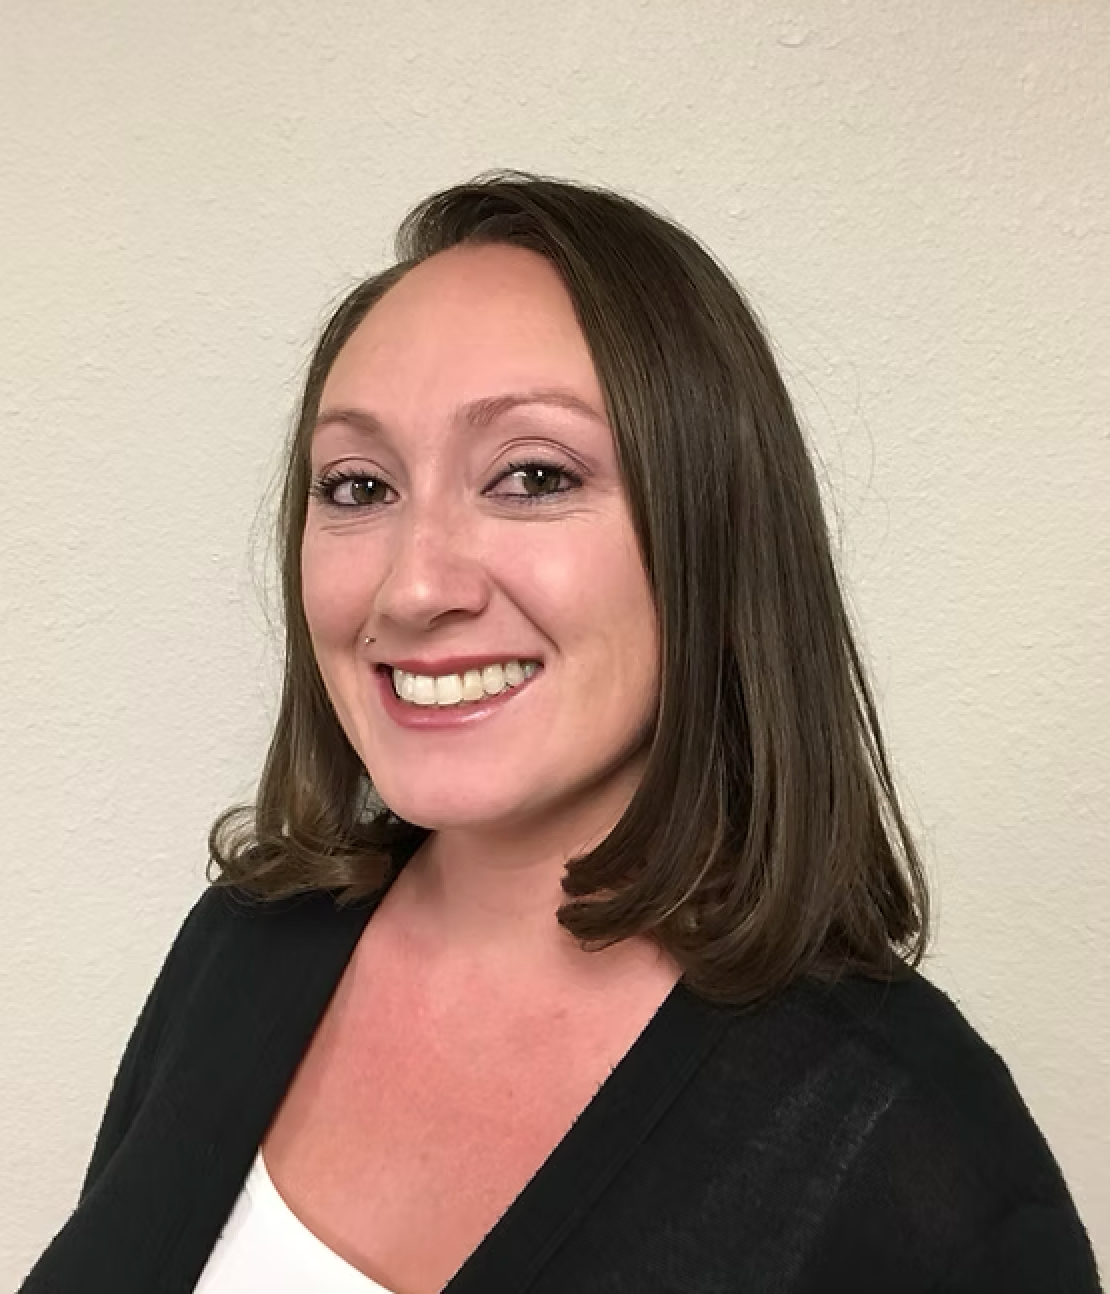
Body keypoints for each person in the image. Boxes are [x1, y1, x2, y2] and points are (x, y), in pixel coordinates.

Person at [20, 171, 1101, 1293]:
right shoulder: (242, 946)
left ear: (713, 537)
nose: (413, 586)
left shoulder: (909, 1150)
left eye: (532, 475)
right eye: (356, 486)